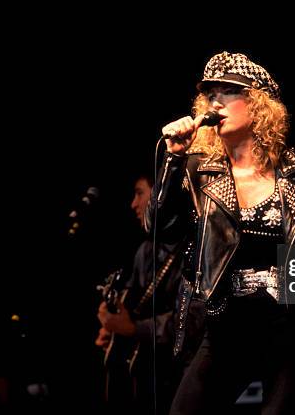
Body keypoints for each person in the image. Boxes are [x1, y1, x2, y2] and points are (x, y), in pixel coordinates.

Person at [147, 51, 295, 414]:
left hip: (290, 328)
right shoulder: (197, 170)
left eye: (228, 91)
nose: (216, 100)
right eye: (211, 93)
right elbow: (161, 229)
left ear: (258, 103)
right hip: (224, 328)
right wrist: (173, 160)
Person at [95, 174, 195, 414]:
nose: (133, 204)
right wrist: (112, 327)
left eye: (140, 193)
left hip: (178, 373)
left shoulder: (193, 248)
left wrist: (132, 329)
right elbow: (132, 306)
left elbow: (192, 321)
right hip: (146, 377)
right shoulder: (146, 250)